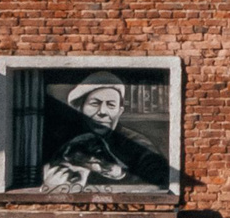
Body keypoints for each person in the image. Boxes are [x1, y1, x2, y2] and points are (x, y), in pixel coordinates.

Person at [41, 72, 172, 191]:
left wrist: (121, 175)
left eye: (111, 105)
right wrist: (50, 186)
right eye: (94, 103)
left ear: (119, 112)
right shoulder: (64, 141)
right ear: (80, 110)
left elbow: (162, 183)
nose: (103, 112)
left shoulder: (138, 144)